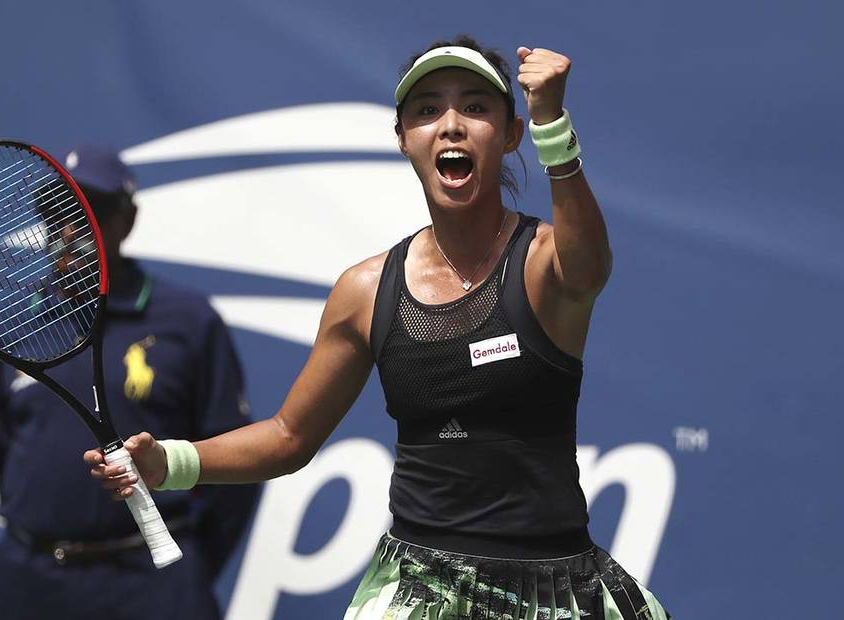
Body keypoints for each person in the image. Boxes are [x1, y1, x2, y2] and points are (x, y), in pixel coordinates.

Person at [87, 36, 671, 619]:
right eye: (426, 111)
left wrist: (553, 124)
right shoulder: (365, 291)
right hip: (420, 590)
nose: (450, 126)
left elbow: (589, 266)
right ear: (403, 140)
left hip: (561, 589)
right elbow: (289, 436)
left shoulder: (545, 261)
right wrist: (169, 462)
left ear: (512, 133)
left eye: (475, 107)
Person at [0, 145, 260, 620]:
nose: (72, 231)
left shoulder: (186, 322)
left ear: (128, 220)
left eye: (93, 212)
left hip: (150, 585)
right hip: (26, 585)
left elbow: (235, 465)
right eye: (58, 211)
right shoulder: (10, 328)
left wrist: (183, 562)